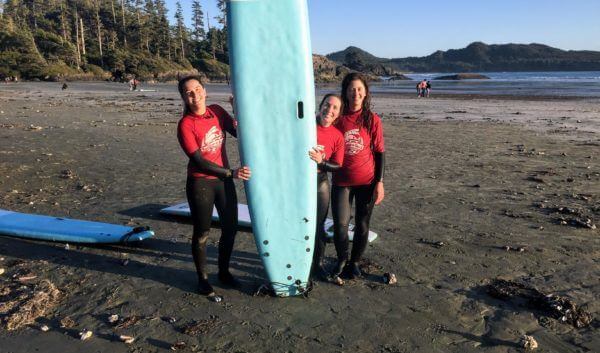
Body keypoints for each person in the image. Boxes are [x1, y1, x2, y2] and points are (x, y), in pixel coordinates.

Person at [176, 75, 251, 301]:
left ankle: (224, 272)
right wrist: (232, 173)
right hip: (201, 183)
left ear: (205, 91)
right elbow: (199, 161)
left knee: (231, 228)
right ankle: (203, 280)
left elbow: (240, 133)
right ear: (184, 97)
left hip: (224, 182)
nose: (194, 94)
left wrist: (238, 109)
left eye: (197, 89)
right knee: (202, 233)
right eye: (189, 92)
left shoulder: (217, 111)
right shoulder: (185, 125)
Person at [331, 73, 385, 282]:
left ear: (365, 93)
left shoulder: (372, 119)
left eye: (359, 89)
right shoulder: (337, 117)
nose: (356, 93)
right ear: (345, 92)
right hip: (341, 182)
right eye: (352, 89)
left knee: (362, 225)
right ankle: (341, 260)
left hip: (367, 181)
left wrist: (379, 182)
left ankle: (354, 263)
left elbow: (380, 152)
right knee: (340, 225)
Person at [308, 94, 345, 281]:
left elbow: (337, 165)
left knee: (319, 225)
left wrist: (322, 162)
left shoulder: (337, 136)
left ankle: (318, 264)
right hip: (299, 182)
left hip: (320, 182)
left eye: (334, 108)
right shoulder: (305, 125)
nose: (329, 110)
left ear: (338, 114)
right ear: (320, 105)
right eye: (327, 105)